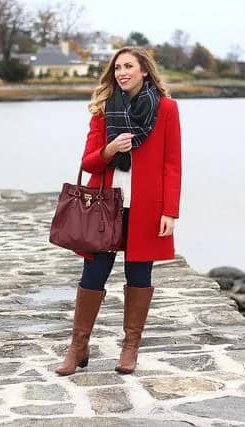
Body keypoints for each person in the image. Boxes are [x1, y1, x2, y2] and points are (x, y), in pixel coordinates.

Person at [55, 46, 182, 376]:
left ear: (144, 71)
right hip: (104, 208)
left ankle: (130, 349)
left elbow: (172, 164)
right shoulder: (103, 110)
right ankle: (78, 347)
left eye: (129, 66)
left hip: (146, 209)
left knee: (139, 276)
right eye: (117, 68)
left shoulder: (166, 109)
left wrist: (170, 211)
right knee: (93, 276)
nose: (122, 72)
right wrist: (110, 149)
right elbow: (87, 162)